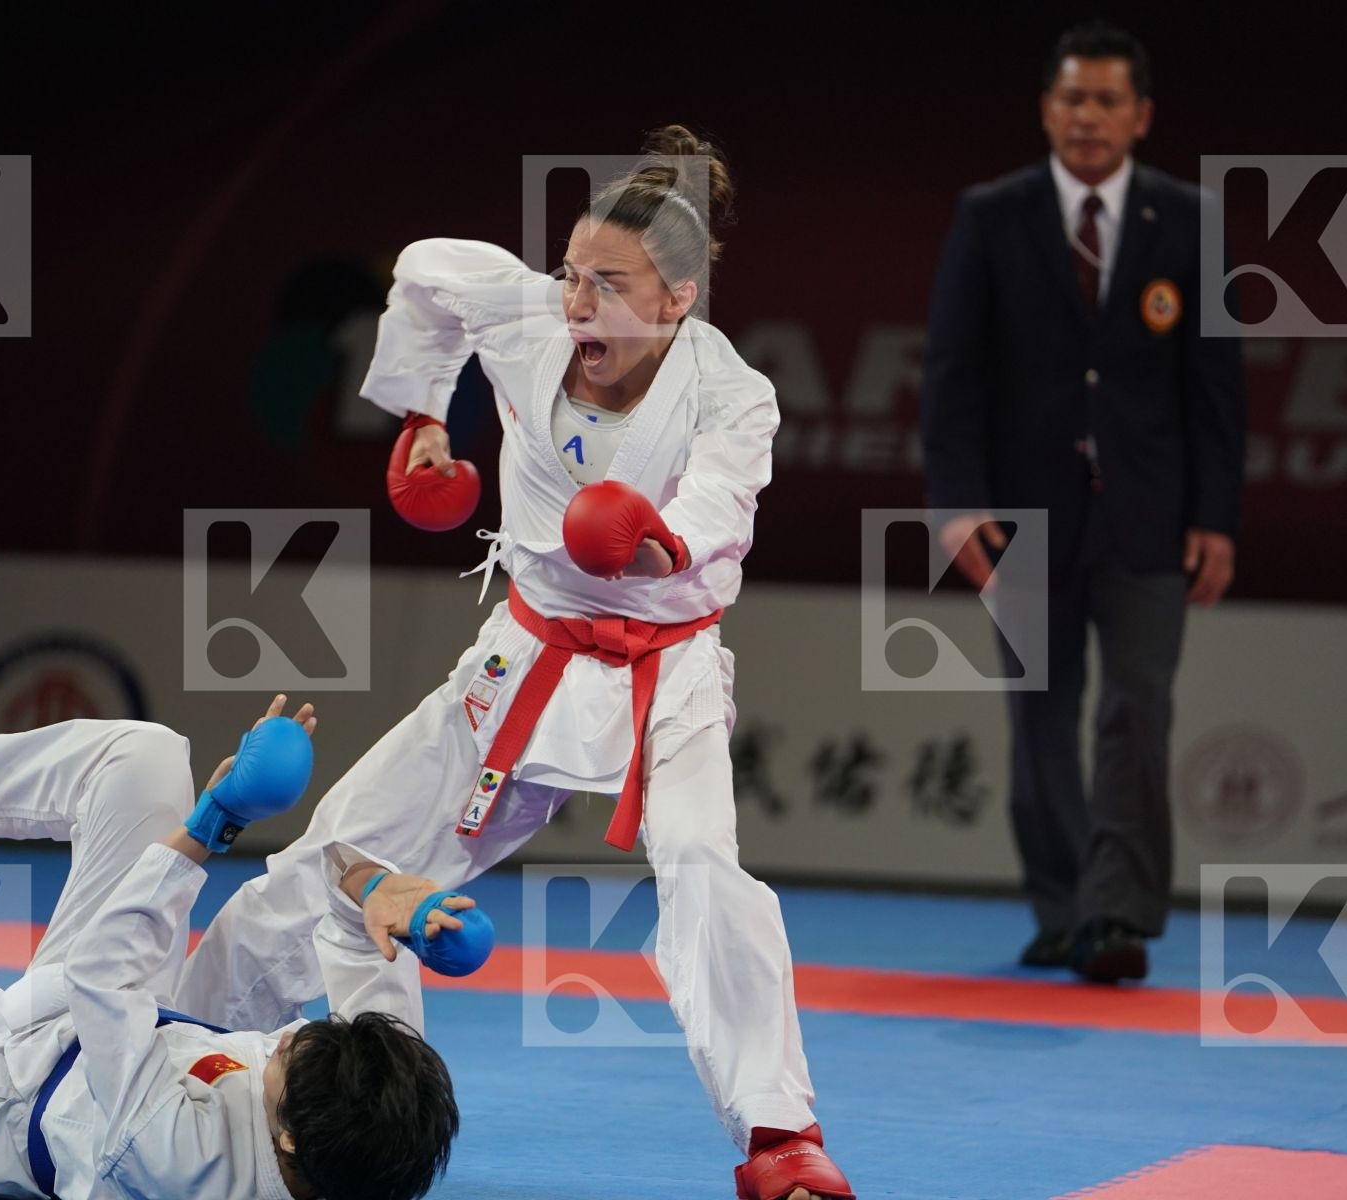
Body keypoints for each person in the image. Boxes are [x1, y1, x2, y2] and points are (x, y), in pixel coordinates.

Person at [173, 124, 855, 1200]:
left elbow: (720, 504)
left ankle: (780, 1136)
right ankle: (178, 1039)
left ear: (678, 299)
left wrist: (652, 539)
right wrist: (424, 414)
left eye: (611, 285)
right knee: (337, 855)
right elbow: (424, 273)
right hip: (526, 653)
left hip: (663, 668)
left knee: (703, 866)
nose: (579, 303)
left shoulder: (733, 394)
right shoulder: (527, 314)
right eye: (573, 274)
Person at [0, 676, 463, 1200]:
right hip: (119, 1038)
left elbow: (104, 973)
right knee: (147, 757)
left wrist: (214, 823)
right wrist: (376, 889)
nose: (296, 1034)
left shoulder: (178, 1160)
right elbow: (358, 971)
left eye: (295, 1053)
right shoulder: (366, 1121)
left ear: (289, 1138)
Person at [919, 21, 1246, 983]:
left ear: (1141, 116)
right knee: (1041, 715)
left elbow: (1217, 384)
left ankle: (1116, 916)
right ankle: (1062, 905)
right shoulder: (993, 214)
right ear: (1046, 109)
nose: (1089, 117)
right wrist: (955, 504)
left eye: (1108, 100)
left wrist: (1217, 516)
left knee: (1136, 711)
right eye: (1073, 98)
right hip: (1023, 511)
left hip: (1151, 511)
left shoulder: (1188, 218)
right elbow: (951, 373)